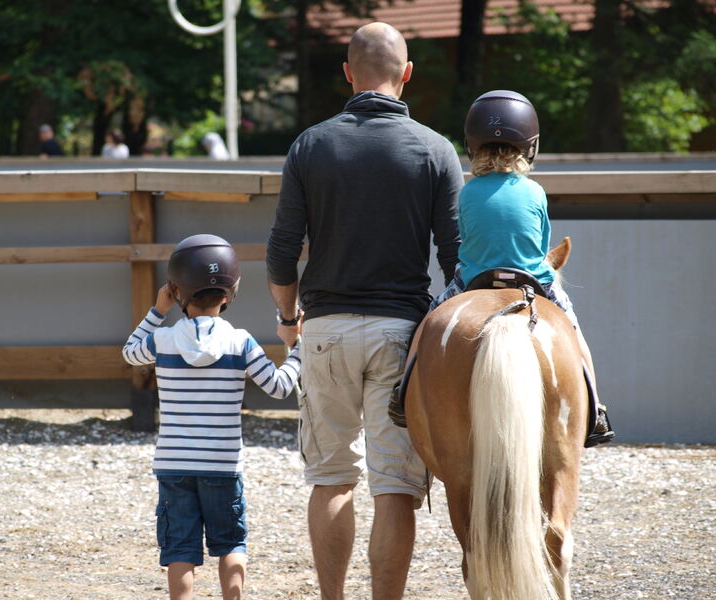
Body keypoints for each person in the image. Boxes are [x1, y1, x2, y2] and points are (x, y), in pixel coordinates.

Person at [266, 22, 464, 600]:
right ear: (408, 73)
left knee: (331, 479)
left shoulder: (311, 145)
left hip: (325, 328)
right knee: (395, 485)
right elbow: (456, 259)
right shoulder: (435, 149)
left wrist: (289, 319)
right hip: (402, 333)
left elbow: (281, 251)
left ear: (348, 73)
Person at [430, 89, 614, 447]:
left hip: (474, 281)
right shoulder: (535, 191)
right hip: (534, 281)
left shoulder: (467, 192)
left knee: (429, 323)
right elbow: (542, 245)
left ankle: (402, 388)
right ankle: (596, 407)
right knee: (574, 335)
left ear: (472, 146)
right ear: (530, 147)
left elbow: (464, 240)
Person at [123, 234, 302, 600]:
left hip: (174, 465)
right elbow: (280, 387)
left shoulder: (163, 340)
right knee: (231, 543)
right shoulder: (241, 342)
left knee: (180, 549)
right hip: (223, 465)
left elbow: (130, 353)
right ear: (230, 292)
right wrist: (298, 348)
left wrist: (158, 310)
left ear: (176, 290)